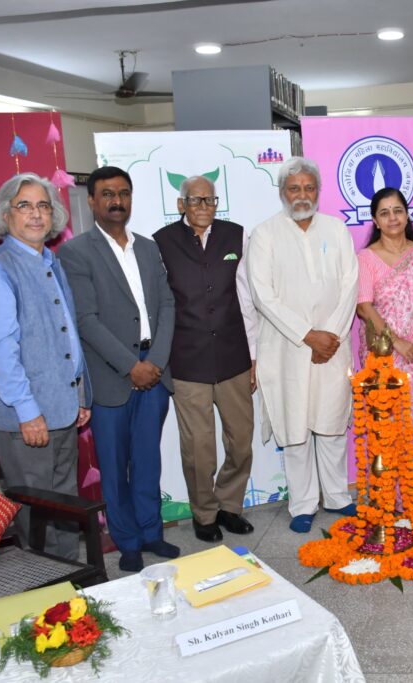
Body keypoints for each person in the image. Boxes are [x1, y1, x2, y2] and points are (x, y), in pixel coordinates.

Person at [59, 166, 180, 572]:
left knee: (148, 460)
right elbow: (86, 319)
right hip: (113, 377)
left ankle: (151, 533)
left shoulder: (147, 248)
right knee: (114, 464)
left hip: (155, 373)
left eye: (123, 193)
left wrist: (156, 363)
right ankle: (126, 540)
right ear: (92, 201)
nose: (117, 201)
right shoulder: (76, 252)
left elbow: (166, 305)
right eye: (107, 194)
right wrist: (131, 366)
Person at [0, 173, 89, 560]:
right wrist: (28, 412)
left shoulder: (49, 261)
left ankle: (72, 587)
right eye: (25, 205)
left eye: (43, 206)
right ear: (6, 216)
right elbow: (2, 351)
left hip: (62, 408)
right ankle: (45, 592)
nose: (36, 214)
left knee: (65, 505)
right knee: (39, 513)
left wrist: (80, 394)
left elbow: (66, 335)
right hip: (27, 417)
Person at [248, 157, 359, 533]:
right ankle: (303, 505)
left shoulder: (336, 228)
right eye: (294, 188)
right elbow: (263, 295)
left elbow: (350, 285)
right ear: (282, 192)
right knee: (295, 427)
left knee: (330, 423)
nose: (301, 195)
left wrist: (330, 335)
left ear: (319, 191)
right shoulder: (264, 234)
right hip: (286, 348)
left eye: (308, 188)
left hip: (332, 344)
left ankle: (338, 497)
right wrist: (307, 335)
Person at [153, 175, 258, 543]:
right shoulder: (162, 242)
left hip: (234, 356)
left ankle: (230, 506)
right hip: (188, 361)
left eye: (209, 200)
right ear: (181, 205)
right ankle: (205, 513)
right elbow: (160, 306)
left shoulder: (236, 235)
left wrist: (255, 356)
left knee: (241, 439)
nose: (203, 207)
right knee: (199, 447)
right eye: (195, 201)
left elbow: (247, 298)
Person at [355, 187, 413, 510]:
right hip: (385, 356)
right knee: (387, 427)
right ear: (376, 221)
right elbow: (365, 307)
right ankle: (390, 496)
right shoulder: (366, 258)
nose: (392, 218)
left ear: (407, 215)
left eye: (397, 211)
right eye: (384, 213)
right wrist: (399, 342)